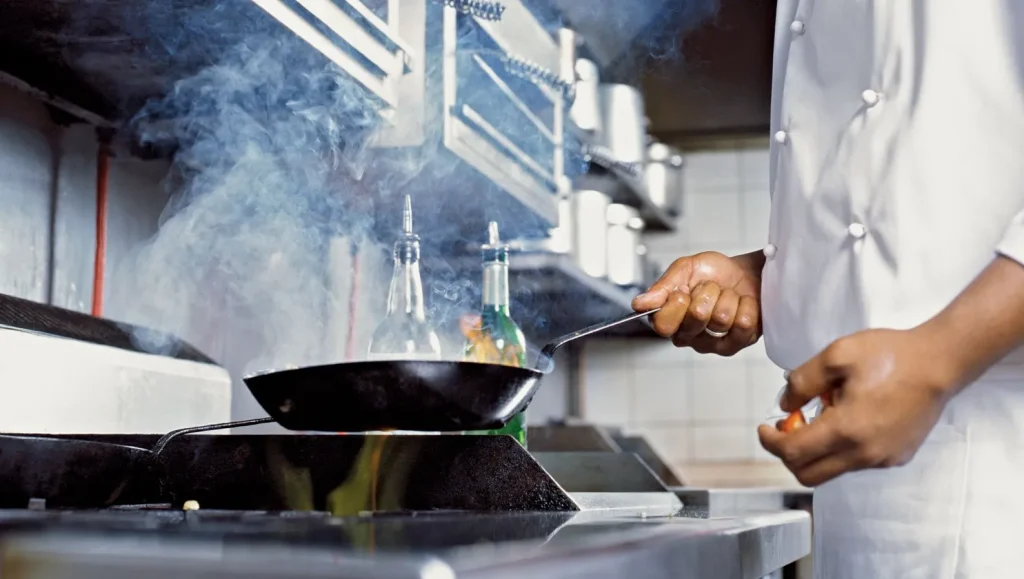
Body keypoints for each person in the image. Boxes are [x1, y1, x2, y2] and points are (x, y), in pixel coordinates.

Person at [633, 2, 1024, 577]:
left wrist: (941, 358)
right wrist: (775, 273)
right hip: (858, 482)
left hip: (993, 466)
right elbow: (890, 184)